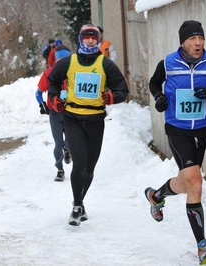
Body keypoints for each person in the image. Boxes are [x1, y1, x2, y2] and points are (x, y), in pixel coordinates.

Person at [145, 20, 206, 265]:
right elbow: (154, 83)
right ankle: (202, 247)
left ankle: (155, 195)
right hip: (177, 129)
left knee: (186, 184)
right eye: (193, 39)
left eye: (201, 38)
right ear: (182, 42)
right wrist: (160, 97)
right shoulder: (168, 63)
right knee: (195, 182)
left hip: (201, 131)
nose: (198, 43)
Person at [48, 24, 129, 226]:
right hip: (73, 118)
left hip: (95, 120)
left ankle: (80, 202)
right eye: (87, 38)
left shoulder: (106, 64)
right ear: (80, 39)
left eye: (94, 38)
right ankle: (76, 207)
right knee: (79, 164)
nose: (91, 41)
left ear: (99, 40)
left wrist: (112, 97)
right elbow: (53, 82)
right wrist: (54, 98)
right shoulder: (69, 62)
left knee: (90, 169)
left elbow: (122, 89)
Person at [35, 44, 72, 182]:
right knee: (58, 144)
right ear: (56, 60)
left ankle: (68, 150)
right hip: (55, 113)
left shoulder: (74, 73)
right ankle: (60, 169)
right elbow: (38, 92)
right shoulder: (48, 74)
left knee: (70, 141)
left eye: (65, 60)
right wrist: (42, 104)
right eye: (59, 60)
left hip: (71, 112)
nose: (62, 63)